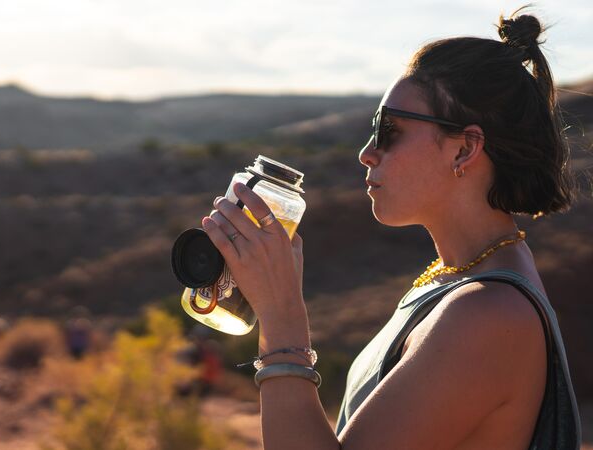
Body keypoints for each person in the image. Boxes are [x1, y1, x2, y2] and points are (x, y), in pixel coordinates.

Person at [200, 7, 583, 449]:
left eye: (389, 131)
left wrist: (282, 315)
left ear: (464, 149)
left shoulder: (488, 313)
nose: (367, 153)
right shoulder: (455, 279)